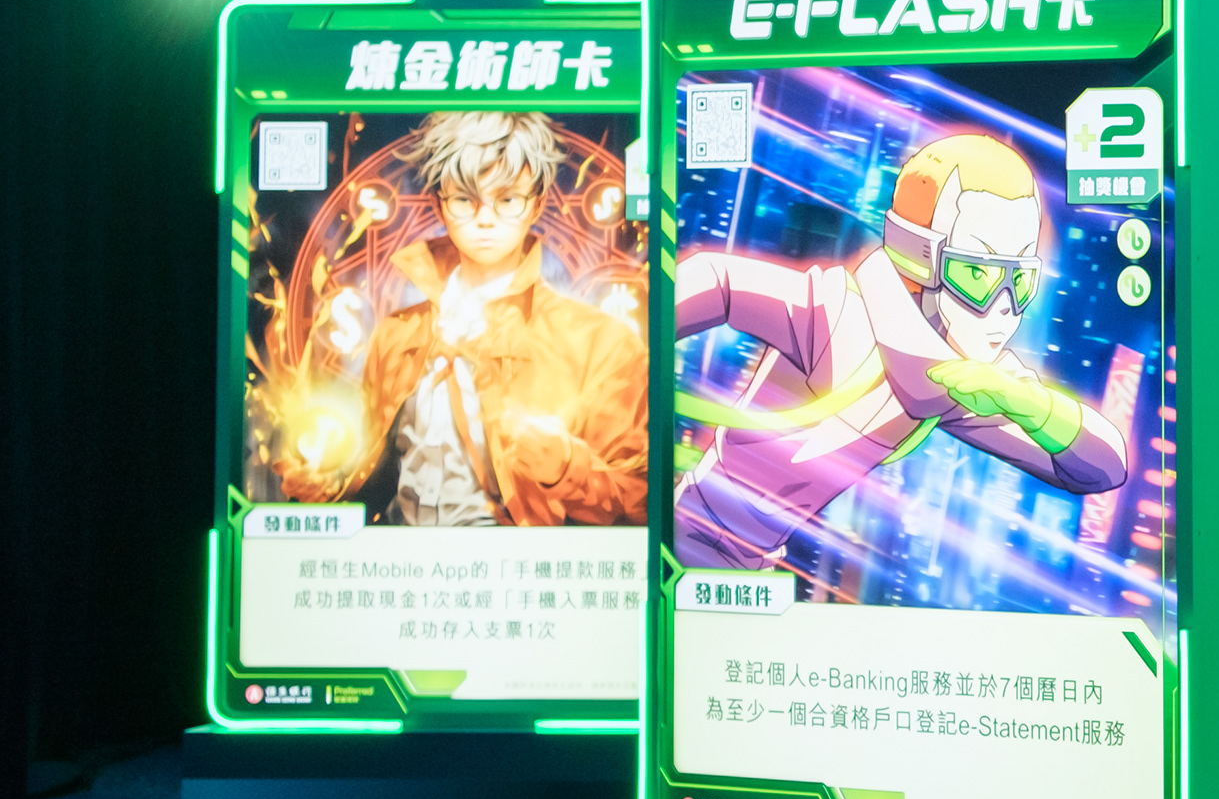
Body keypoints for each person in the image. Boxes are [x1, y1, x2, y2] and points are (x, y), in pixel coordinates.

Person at [672, 128, 1129, 572]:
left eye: (1020, 280)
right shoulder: (839, 313)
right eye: (979, 275)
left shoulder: (967, 382)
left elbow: (1103, 469)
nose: (1004, 307)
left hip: (747, 566)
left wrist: (1035, 407)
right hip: (688, 538)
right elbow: (718, 279)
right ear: (920, 258)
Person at [282, 111, 644, 527]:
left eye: (507, 200)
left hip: (517, 561)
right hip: (395, 555)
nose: (485, 218)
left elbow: (640, 502)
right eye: (464, 200)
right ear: (439, 203)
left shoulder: (601, 343)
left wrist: (566, 468)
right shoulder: (397, 334)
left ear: (537, 203)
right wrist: (328, 483)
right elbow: (374, 475)